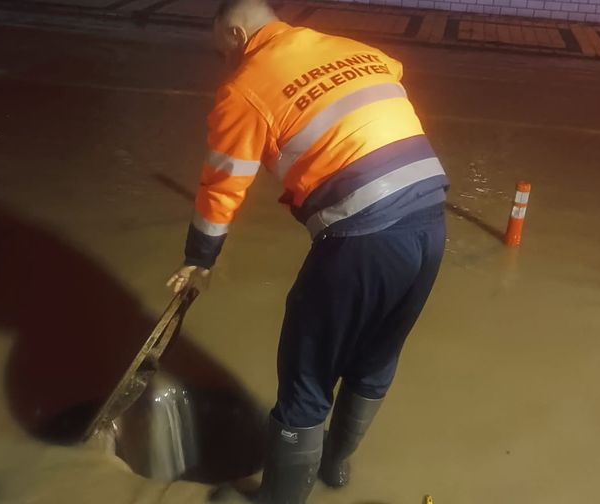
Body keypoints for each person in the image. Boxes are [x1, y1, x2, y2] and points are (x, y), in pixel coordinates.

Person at [167, 0, 448, 501]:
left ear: (234, 33)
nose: (224, 62)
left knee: (306, 374)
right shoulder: (354, 49)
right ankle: (335, 466)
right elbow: (392, 73)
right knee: (376, 355)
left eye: (220, 51)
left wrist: (200, 259)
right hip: (430, 221)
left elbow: (223, 186)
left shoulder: (245, 87)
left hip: (363, 237)